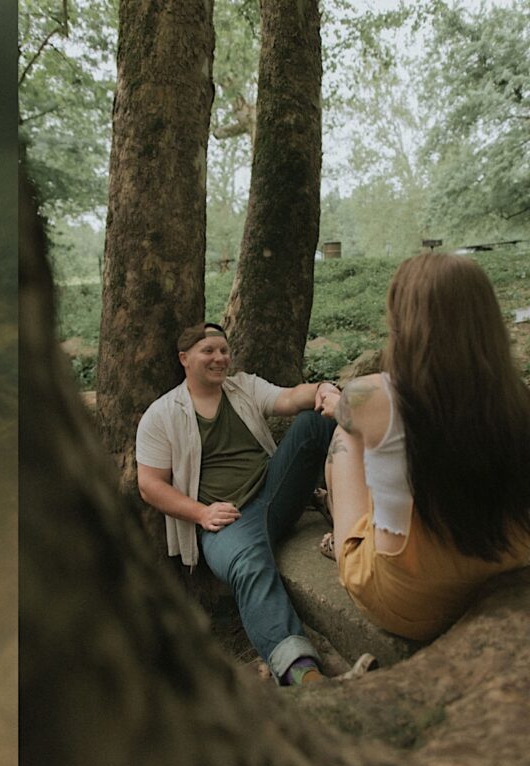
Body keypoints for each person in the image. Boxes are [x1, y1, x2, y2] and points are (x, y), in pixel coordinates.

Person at [317, 252, 530, 641]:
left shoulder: (370, 394)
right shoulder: (517, 399)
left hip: (413, 603)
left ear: (403, 321)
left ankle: (345, 539)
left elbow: (350, 414)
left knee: (346, 434)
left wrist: (342, 404)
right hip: (502, 569)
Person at [136, 322, 338, 685]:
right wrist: (201, 512)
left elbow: (290, 397)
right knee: (249, 568)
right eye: (208, 350)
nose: (220, 358)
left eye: (224, 350)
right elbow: (150, 486)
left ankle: (350, 509)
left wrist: (323, 389)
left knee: (312, 422)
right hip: (226, 520)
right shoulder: (162, 415)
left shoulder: (244, 387)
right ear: (185, 358)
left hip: (275, 491)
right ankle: (302, 672)